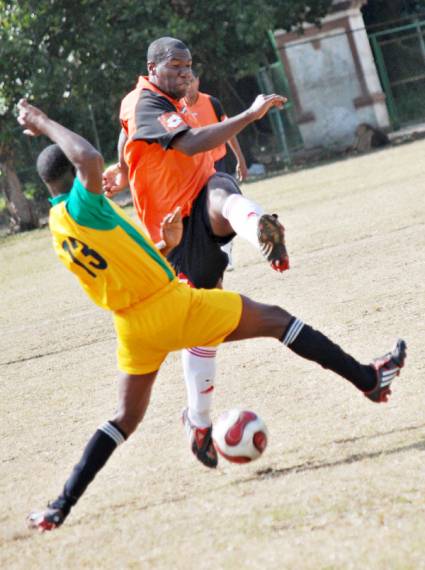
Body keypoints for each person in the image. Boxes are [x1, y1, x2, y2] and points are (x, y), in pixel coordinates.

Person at [17, 99, 407, 532]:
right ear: (72, 177)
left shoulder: (58, 226)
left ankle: (59, 506)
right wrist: (43, 121)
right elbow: (88, 157)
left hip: (132, 327)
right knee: (277, 320)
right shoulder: (82, 205)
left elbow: (122, 265)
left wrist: (166, 244)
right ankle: (369, 380)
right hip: (170, 306)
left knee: (124, 419)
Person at [103, 37, 290, 468]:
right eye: (176, 65)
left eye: (189, 65)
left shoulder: (187, 99)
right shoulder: (145, 101)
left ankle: (259, 227)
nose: (185, 72)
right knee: (201, 325)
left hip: (201, 195)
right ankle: (198, 419)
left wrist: (123, 168)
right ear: (152, 67)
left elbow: (139, 137)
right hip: (174, 226)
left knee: (223, 190)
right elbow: (160, 138)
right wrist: (124, 172)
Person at [183, 71, 248, 271]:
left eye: (192, 80)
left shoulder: (212, 102)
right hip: (193, 167)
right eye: (185, 81)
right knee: (197, 211)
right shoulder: (176, 108)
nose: (189, 85)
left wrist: (240, 158)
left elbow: (228, 130)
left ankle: (226, 249)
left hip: (217, 162)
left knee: (221, 204)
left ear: (198, 81)